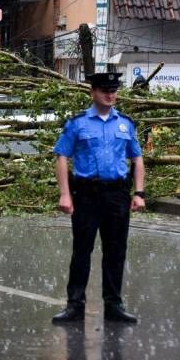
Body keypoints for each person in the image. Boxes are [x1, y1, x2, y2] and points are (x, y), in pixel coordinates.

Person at [52, 72, 145, 324]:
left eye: (113, 90)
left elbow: (136, 158)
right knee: (82, 250)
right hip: (87, 194)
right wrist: (65, 194)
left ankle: (114, 305)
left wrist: (139, 193)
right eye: (105, 90)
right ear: (92, 92)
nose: (110, 95)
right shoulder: (78, 123)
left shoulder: (125, 124)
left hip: (117, 194)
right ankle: (74, 306)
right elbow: (62, 156)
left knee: (116, 251)